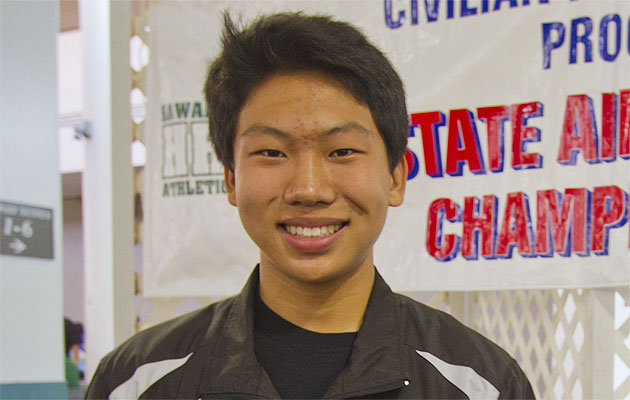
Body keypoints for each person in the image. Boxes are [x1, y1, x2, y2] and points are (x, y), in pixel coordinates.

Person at [86, 12, 535, 399]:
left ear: (395, 177)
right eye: (271, 153)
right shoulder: (136, 382)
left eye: (341, 152)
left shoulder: (482, 384)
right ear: (230, 179)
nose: (308, 188)